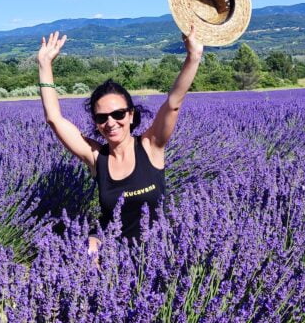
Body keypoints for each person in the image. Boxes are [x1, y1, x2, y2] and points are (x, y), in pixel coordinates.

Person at [36, 25, 204, 252]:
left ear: (131, 114)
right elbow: (54, 119)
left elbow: (173, 104)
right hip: (111, 253)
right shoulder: (96, 157)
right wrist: (44, 65)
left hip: (153, 253)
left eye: (118, 114)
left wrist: (193, 57)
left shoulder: (150, 146)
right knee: (88, 250)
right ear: (96, 122)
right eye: (102, 117)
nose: (111, 122)